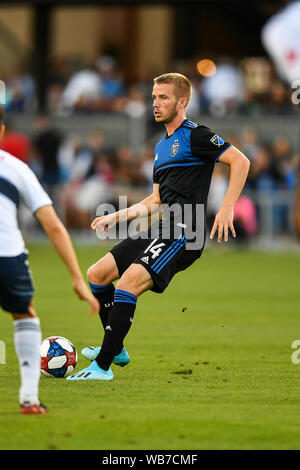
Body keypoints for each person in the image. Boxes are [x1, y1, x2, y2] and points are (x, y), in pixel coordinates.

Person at [67, 73, 250, 382]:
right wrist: (117, 216)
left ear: (182, 102)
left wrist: (227, 207)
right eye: (153, 97)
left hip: (185, 231)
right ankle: (117, 347)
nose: (155, 103)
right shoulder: (161, 148)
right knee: (97, 274)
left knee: (127, 284)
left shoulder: (196, 135)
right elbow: (155, 199)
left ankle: (102, 366)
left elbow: (241, 161)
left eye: (163, 97)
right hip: (163, 226)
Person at [0, 105, 99, 413]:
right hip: (7, 255)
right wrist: (77, 278)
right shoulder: (15, 167)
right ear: (2, 131)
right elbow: (54, 225)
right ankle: (29, 398)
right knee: (25, 314)